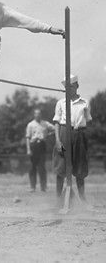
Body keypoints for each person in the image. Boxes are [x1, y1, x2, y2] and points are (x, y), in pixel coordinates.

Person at [53, 75, 92, 204]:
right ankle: (59, 199)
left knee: (80, 168)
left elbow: (89, 120)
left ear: (76, 86)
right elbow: (57, 122)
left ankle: (83, 199)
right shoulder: (61, 103)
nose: (68, 89)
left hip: (79, 134)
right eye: (66, 87)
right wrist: (58, 141)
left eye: (71, 86)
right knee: (61, 167)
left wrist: (87, 113)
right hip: (64, 133)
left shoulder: (84, 102)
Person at [26, 109, 55, 193]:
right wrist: (28, 149)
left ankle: (43, 187)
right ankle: (32, 187)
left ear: (41, 115)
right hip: (33, 145)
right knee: (32, 167)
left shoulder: (45, 123)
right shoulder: (30, 125)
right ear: (34, 115)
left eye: (39, 114)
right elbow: (27, 137)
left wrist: (48, 135)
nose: (38, 115)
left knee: (42, 167)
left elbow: (54, 129)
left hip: (42, 145)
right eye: (36, 114)